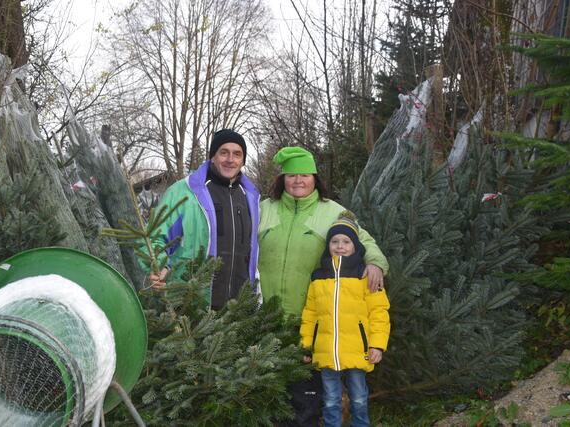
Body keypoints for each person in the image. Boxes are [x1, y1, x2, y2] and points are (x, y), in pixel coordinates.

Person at [258, 146, 389, 426]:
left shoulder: (332, 211)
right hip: (266, 319)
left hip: (311, 319)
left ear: (315, 178)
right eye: (291, 176)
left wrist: (376, 263)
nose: (298, 181)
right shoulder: (263, 209)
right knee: (268, 393)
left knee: (306, 397)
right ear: (281, 179)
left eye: (305, 175)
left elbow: (363, 239)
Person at [143, 129, 260, 310]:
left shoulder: (250, 197)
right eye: (224, 152)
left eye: (237, 154)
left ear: (243, 160)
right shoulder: (185, 191)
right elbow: (154, 236)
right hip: (193, 303)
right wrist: (160, 266)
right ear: (213, 156)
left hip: (239, 309)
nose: (230, 159)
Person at [300, 212, 390, 427]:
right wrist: (306, 346)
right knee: (331, 400)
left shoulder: (365, 275)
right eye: (335, 241)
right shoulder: (318, 277)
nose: (340, 246)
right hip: (326, 352)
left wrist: (377, 345)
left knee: (359, 398)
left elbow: (379, 312)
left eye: (346, 241)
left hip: (359, 351)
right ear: (328, 245)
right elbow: (310, 314)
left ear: (355, 246)